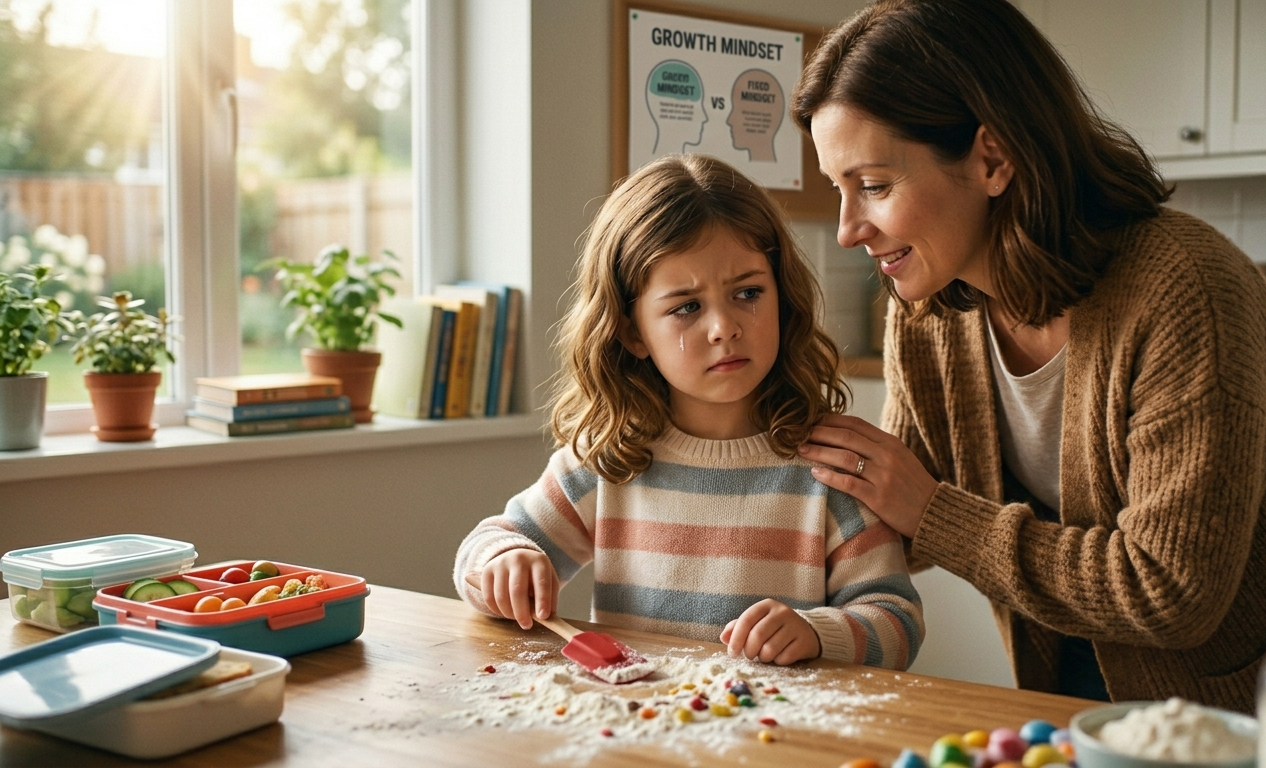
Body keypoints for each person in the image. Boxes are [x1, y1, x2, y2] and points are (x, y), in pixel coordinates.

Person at [791, 0, 1266, 712]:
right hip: (1054, 693)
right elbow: (890, 525)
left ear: (993, 158)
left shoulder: (1186, 289)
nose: (849, 229)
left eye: (876, 185)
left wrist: (933, 512)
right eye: (839, 189)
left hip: (1210, 717)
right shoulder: (926, 311)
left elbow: (1171, 593)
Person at [454, 154, 924, 669]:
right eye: (686, 307)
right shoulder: (606, 460)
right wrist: (501, 562)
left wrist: (818, 633)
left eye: (748, 293)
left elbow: (897, 622)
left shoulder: (829, 469)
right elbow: (490, 543)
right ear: (633, 332)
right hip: (637, 736)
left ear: (782, 300)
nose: (724, 326)